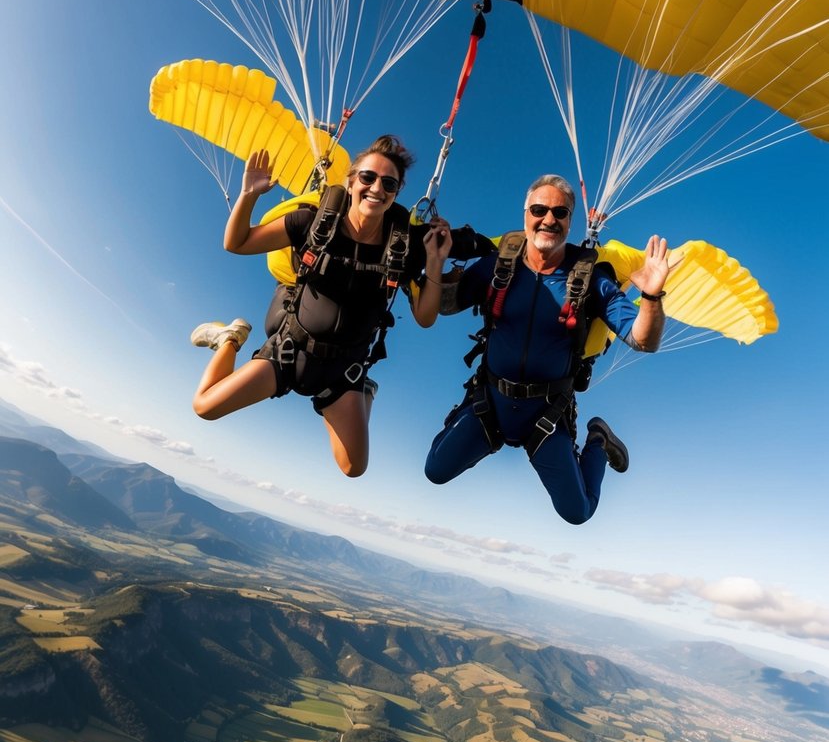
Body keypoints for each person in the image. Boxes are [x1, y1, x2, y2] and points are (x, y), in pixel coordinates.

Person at [190, 135, 454, 478]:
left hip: (343, 371)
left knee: (353, 467)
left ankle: (363, 392)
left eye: (388, 183)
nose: (376, 188)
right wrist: (249, 195)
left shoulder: (402, 247)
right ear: (351, 180)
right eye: (368, 178)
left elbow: (425, 318)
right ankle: (230, 338)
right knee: (205, 407)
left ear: (397, 191)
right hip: (289, 353)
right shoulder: (313, 224)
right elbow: (236, 243)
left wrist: (435, 262)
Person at [425, 173, 673, 524]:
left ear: (571, 221)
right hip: (490, 405)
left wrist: (651, 296)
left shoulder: (588, 277)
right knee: (435, 470)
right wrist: (427, 261)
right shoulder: (500, 264)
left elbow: (644, 340)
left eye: (560, 213)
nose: (549, 220)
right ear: (525, 214)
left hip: (545, 416)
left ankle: (599, 441)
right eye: (540, 210)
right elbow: (445, 304)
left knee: (578, 511)